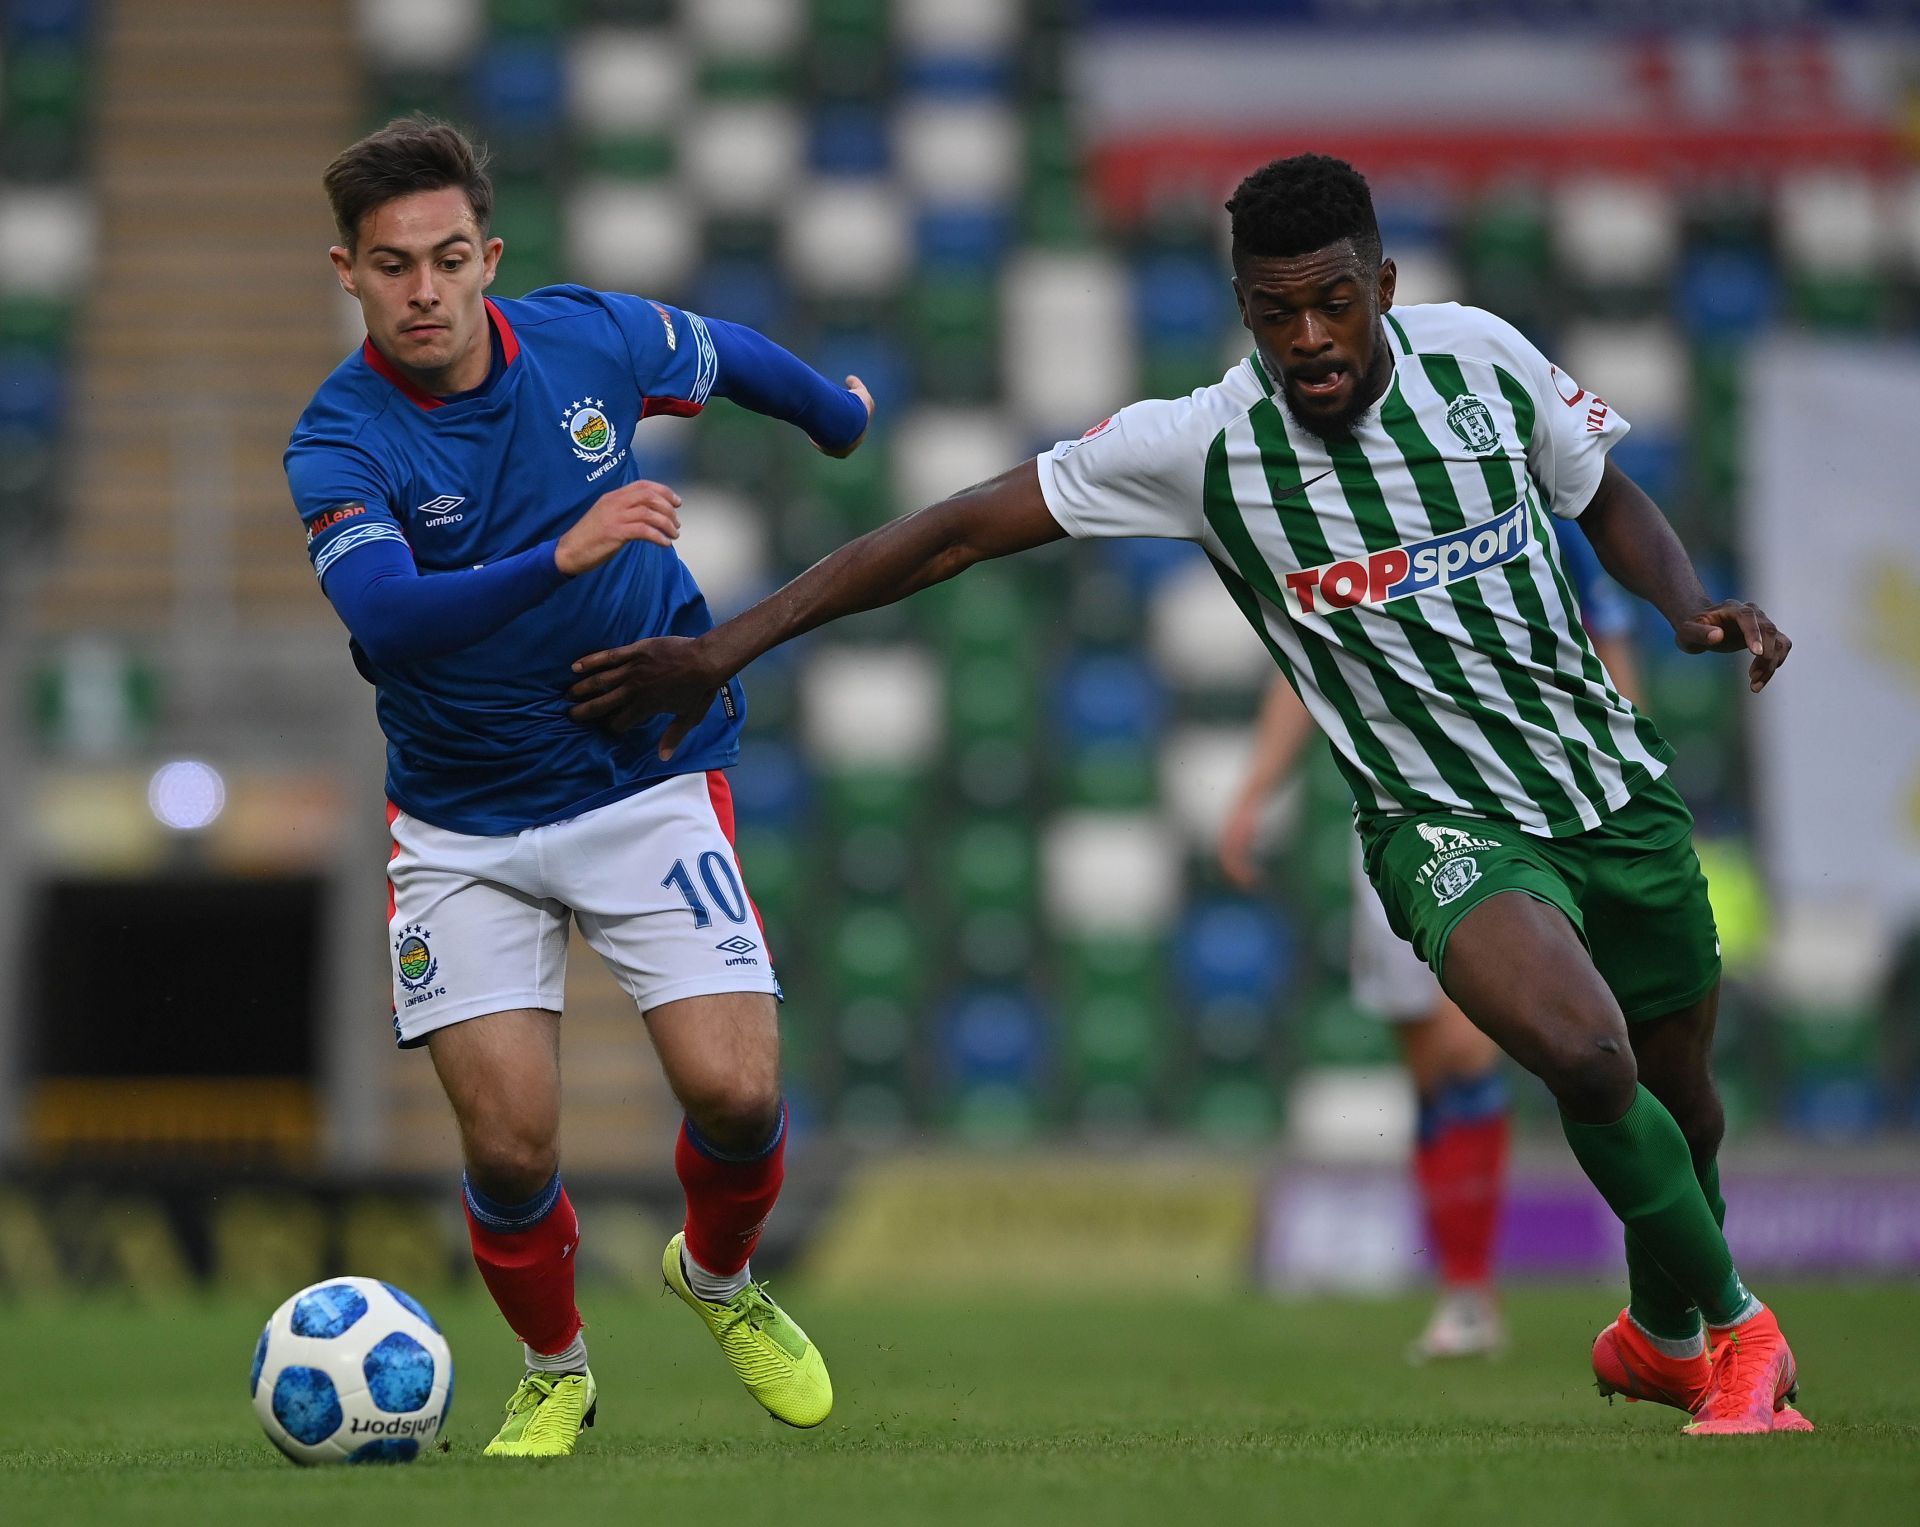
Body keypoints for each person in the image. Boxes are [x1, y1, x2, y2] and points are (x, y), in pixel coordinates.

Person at [568, 154, 1810, 1436]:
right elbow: (948, 532)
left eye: (1334, 302)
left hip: (1611, 791)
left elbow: (1602, 495)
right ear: (1242, 309)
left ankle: (1665, 1337)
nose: (1310, 339)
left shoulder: (1485, 360)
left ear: (1384, 284)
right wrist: (725, 646)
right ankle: (1744, 1333)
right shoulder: (1206, 444)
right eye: (1276, 313)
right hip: (1441, 825)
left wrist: (1688, 606)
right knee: (1587, 1055)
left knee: (1685, 1103)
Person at [284, 116, 871, 1457]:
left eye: (445, 258)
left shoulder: (587, 339)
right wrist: (563, 553)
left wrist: (835, 416)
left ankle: (717, 1276)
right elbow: (385, 617)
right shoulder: (338, 441)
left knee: (733, 1089)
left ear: (487, 256)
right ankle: (556, 1365)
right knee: (508, 1141)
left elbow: (724, 357)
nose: (422, 290)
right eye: (391, 266)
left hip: (642, 774)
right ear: (349, 273)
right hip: (459, 821)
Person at [1217, 520, 1646, 1363]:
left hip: (1507, 806)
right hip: (1386, 816)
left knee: (1468, 1048)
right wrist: (1255, 789)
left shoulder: (1537, 516)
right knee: (1426, 1061)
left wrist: (1623, 772)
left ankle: (1475, 1291)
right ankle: (1463, 1288)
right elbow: (1305, 667)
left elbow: (1609, 646)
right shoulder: (1350, 519)